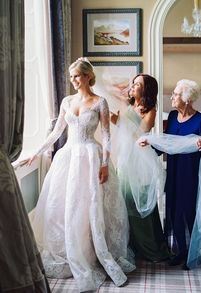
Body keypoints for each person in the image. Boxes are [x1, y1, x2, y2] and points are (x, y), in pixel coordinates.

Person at [25, 57, 135, 292]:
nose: (73, 80)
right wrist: (35, 153)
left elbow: (106, 135)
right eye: (71, 76)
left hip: (90, 157)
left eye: (77, 76)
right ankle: (69, 248)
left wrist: (105, 164)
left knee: (89, 206)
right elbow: (56, 133)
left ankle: (92, 250)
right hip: (68, 157)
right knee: (64, 206)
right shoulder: (66, 101)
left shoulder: (100, 102)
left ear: (88, 77)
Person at [140, 79, 201, 268]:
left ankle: (193, 253)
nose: (171, 97)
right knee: (173, 211)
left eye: (176, 94)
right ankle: (180, 250)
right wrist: (149, 147)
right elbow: (167, 143)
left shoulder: (200, 119)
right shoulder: (171, 116)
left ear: (187, 99)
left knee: (189, 212)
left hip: (190, 173)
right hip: (173, 170)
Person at [110, 74, 170, 263]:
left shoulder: (150, 110)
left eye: (138, 84)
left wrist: (120, 116)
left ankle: (150, 246)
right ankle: (132, 245)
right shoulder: (128, 105)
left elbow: (140, 133)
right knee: (126, 200)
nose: (133, 86)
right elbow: (119, 126)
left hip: (140, 160)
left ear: (146, 89)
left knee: (140, 201)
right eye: (133, 83)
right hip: (124, 158)